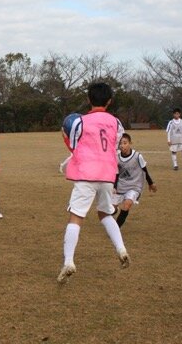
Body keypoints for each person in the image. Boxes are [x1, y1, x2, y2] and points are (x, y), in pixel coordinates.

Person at [57, 82, 129, 284]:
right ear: (109, 101)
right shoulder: (117, 123)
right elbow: (115, 146)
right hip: (107, 174)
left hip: (85, 174)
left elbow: (73, 147)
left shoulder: (80, 122)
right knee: (105, 213)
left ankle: (69, 261)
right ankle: (121, 249)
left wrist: (64, 137)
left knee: (76, 217)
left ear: (89, 99)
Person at [112, 133, 157, 228]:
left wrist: (151, 183)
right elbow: (116, 173)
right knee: (110, 210)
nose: (122, 145)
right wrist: (114, 187)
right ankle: (115, 210)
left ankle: (116, 228)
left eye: (125, 143)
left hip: (134, 186)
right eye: (120, 143)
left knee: (127, 205)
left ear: (130, 143)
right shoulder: (117, 157)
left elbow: (145, 170)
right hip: (121, 186)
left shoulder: (137, 156)